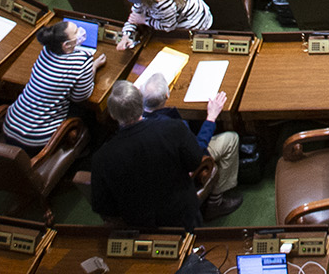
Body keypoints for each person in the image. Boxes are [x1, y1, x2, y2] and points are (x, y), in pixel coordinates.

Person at [88, 78, 239, 228]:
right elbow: (195, 162)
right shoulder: (172, 129)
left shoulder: (100, 158)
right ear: (141, 104)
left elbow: (104, 208)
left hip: (137, 226)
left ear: (113, 115)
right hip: (182, 217)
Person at [3, 20, 98, 149]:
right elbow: (80, 96)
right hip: (37, 138)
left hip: (10, 124)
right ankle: (85, 149)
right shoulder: (82, 60)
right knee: (86, 111)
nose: (80, 31)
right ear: (66, 45)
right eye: (76, 32)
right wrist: (93, 67)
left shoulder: (46, 50)